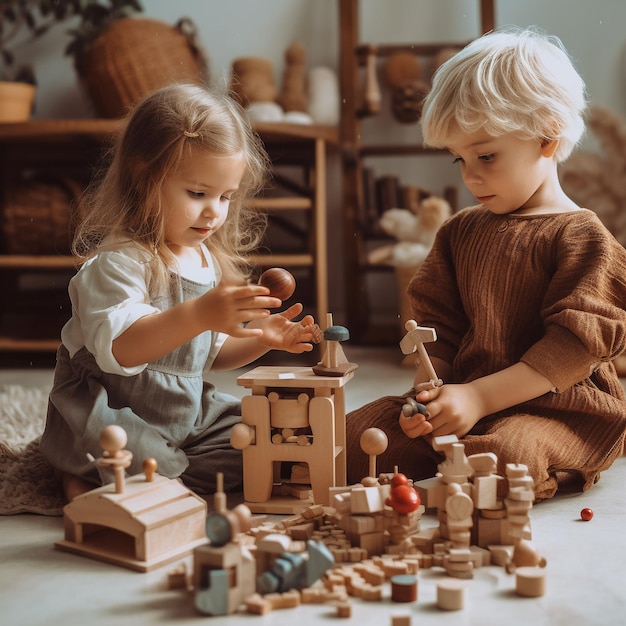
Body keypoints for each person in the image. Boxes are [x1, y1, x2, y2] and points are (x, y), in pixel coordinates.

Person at [346, 27, 626, 501]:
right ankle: (454, 452)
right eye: (459, 159)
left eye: (487, 156)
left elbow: (574, 347)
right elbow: (436, 323)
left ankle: (538, 467)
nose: (471, 175)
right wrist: (428, 394)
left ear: (547, 137)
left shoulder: (583, 236)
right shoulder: (459, 231)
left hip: (556, 409)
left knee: (506, 456)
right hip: (466, 398)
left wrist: (478, 398)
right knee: (354, 435)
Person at [40, 83, 319, 501]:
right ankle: (81, 475)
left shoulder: (203, 259)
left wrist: (263, 339)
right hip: (112, 409)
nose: (214, 211)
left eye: (226, 196)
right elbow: (120, 350)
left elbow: (208, 355)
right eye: (197, 193)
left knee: (259, 436)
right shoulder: (119, 263)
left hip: (184, 413)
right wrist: (200, 315)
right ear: (144, 176)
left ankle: (150, 481)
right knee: (142, 458)